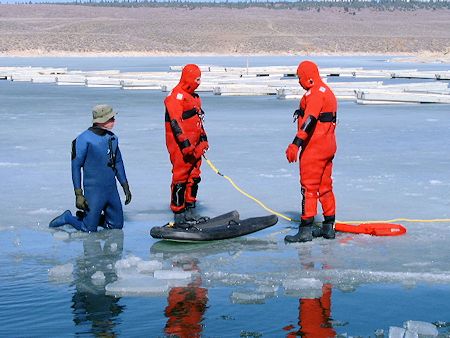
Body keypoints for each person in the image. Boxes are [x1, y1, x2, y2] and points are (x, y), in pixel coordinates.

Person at [49, 104, 132, 232]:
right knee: (88, 229)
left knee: (116, 225)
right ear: (100, 121)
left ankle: (92, 216)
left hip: (111, 189)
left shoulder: (112, 138)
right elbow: (75, 167)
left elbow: (118, 162)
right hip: (94, 190)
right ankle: (68, 218)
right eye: (110, 119)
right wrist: (78, 194)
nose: (114, 121)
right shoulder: (83, 140)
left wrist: (125, 185)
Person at [284, 60, 337, 243]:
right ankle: (329, 227)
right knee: (325, 186)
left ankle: (305, 229)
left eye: (300, 78)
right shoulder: (327, 92)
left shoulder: (315, 94)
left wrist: (295, 144)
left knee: (309, 187)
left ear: (308, 77)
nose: (299, 82)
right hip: (328, 146)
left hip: (315, 148)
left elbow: (309, 120)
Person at [164, 64, 209, 226]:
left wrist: (203, 140)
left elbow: (198, 121)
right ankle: (179, 214)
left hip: (195, 146)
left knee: (194, 176)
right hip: (181, 148)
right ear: (189, 78)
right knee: (180, 178)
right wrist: (186, 145)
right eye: (197, 79)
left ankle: (191, 210)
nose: (199, 82)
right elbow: (176, 124)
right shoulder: (175, 98)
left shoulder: (194, 97)